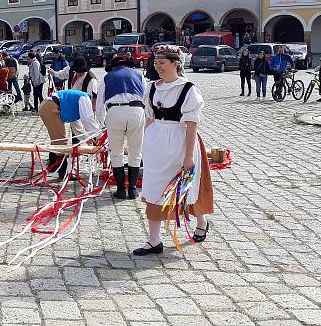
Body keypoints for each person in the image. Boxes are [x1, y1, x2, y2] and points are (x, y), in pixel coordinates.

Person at [134, 47, 213, 256]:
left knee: (184, 189)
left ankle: (201, 221)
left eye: (162, 62)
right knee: (153, 188)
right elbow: (149, 118)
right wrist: (147, 142)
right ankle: (154, 240)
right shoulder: (152, 88)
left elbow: (192, 125)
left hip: (179, 141)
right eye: (156, 62)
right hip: (156, 145)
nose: (157, 66)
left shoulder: (188, 89)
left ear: (176, 63)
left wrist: (188, 156)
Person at [95, 55, 145, 199]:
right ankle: (133, 189)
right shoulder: (139, 75)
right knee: (135, 151)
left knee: (116, 152)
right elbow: (146, 97)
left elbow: (100, 102)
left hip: (115, 111)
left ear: (113, 67)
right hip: (137, 111)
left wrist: (102, 121)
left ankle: (121, 189)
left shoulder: (107, 77)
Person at [38, 89, 100, 178]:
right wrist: (98, 136)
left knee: (57, 138)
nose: (94, 109)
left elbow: (76, 127)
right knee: (60, 141)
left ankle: (53, 166)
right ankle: (63, 173)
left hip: (49, 106)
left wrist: (87, 138)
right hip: (50, 107)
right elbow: (88, 120)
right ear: (95, 100)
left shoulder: (79, 102)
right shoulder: (85, 99)